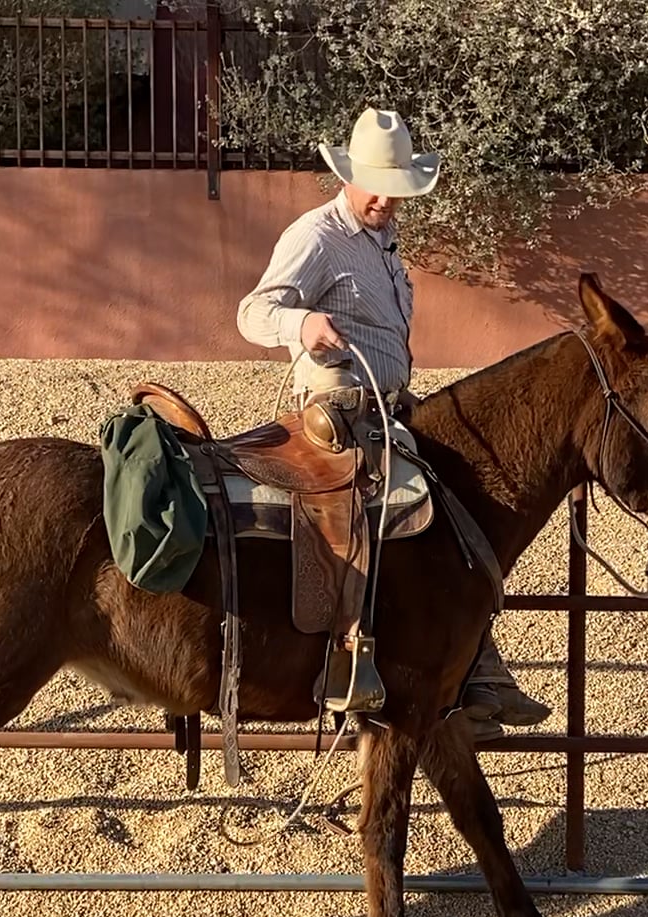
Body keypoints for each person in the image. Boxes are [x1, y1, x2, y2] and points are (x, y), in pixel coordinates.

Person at [235, 107, 550, 740]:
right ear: (348, 175)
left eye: (394, 187)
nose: (383, 198)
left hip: (387, 409)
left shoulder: (384, 245)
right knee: (381, 507)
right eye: (375, 184)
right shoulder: (316, 236)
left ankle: (468, 666)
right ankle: (353, 665)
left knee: (453, 509)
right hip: (337, 408)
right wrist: (300, 324)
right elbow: (252, 310)